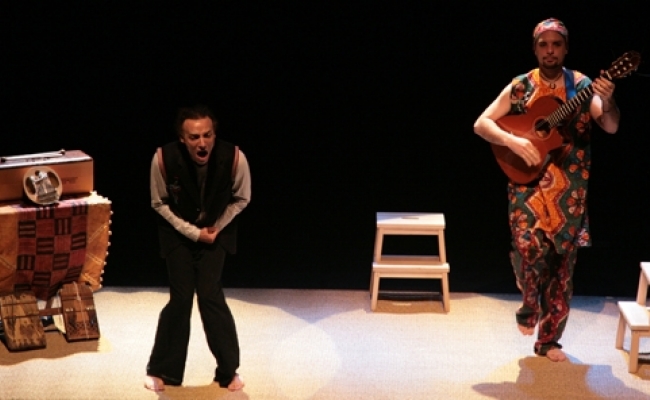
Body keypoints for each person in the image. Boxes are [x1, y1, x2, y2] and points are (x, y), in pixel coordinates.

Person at [473, 18, 620, 362]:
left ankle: (549, 341)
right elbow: (481, 123)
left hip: (569, 187)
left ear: (566, 49)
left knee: (561, 266)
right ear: (535, 48)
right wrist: (513, 141)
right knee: (528, 246)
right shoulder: (521, 86)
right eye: (544, 44)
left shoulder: (581, 85)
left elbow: (610, 125)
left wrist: (609, 100)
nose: (550, 50)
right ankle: (529, 303)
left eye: (556, 44)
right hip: (527, 180)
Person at [144, 105, 251, 391]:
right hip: (178, 233)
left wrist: (216, 226)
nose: (202, 143)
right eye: (194, 137)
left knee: (209, 294)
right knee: (181, 298)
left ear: (214, 134)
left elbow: (242, 198)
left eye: (207, 135)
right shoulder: (163, 158)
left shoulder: (234, 157)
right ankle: (162, 369)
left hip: (217, 232)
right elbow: (158, 203)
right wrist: (193, 233)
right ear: (183, 139)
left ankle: (228, 370)